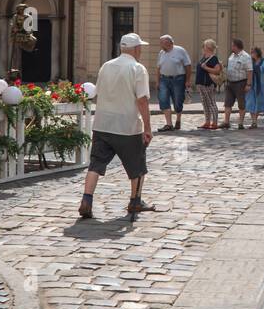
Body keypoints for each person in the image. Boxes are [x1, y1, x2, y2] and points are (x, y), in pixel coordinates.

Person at [79, 32, 154, 219]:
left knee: (96, 164)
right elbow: (142, 100)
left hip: (103, 123)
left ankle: (86, 199)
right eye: (140, 48)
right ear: (136, 49)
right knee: (137, 166)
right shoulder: (137, 68)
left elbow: (98, 92)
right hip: (127, 126)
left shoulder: (106, 66)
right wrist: (147, 127)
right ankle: (135, 201)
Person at [155, 34, 192, 132]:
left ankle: (178, 119)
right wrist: (158, 81)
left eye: (162, 42)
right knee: (163, 100)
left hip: (178, 79)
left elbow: (188, 65)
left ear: (169, 42)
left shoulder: (180, 51)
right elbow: (158, 68)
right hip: (164, 79)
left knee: (178, 101)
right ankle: (169, 124)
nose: (160, 45)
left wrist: (188, 80)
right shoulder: (161, 53)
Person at [222, 38, 253, 131]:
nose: (231, 47)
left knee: (241, 103)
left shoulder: (245, 56)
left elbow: (249, 71)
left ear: (236, 46)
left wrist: (248, 84)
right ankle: (226, 122)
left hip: (240, 83)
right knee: (227, 103)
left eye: (232, 45)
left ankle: (240, 123)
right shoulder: (231, 56)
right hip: (230, 82)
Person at [195, 40, 222, 130]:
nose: (203, 48)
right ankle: (207, 122)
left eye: (204, 46)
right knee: (205, 103)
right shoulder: (204, 57)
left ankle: (214, 123)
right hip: (201, 84)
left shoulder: (213, 58)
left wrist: (206, 67)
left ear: (208, 47)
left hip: (208, 84)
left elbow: (217, 70)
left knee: (211, 103)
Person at [245, 46, 264, 127]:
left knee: (259, 103)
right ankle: (254, 121)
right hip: (251, 85)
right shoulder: (249, 62)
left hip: (260, 85)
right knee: (250, 102)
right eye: (251, 52)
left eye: (253, 52)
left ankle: (255, 120)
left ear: (257, 53)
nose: (251, 54)